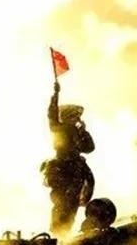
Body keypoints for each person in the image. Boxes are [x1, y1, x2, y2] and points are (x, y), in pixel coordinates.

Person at [42, 80, 95, 237]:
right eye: (74, 116)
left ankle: (65, 233)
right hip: (62, 170)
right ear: (67, 117)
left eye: (77, 117)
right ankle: (58, 234)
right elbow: (51, 114)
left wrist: (84, 131)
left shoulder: (78, 131)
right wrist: (55, 94)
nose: (77, 119)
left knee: (72, 204)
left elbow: (89, 148)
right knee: (62, 203)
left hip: (76, 171)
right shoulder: (58, 128)